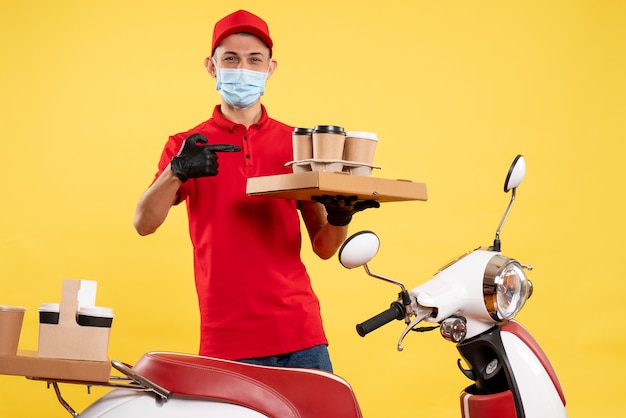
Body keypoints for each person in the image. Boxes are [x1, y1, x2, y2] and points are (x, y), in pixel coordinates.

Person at [133, 9, 378, 373]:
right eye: (230, 58)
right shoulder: (187, 145)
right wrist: (176, 170)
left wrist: (342, 215)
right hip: (227, 338)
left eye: (254, 60)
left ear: (270, 68)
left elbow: (324, 247)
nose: (243, 68)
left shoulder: (297, 144)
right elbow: (144, 223)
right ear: (211, 66)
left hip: (300, 332)